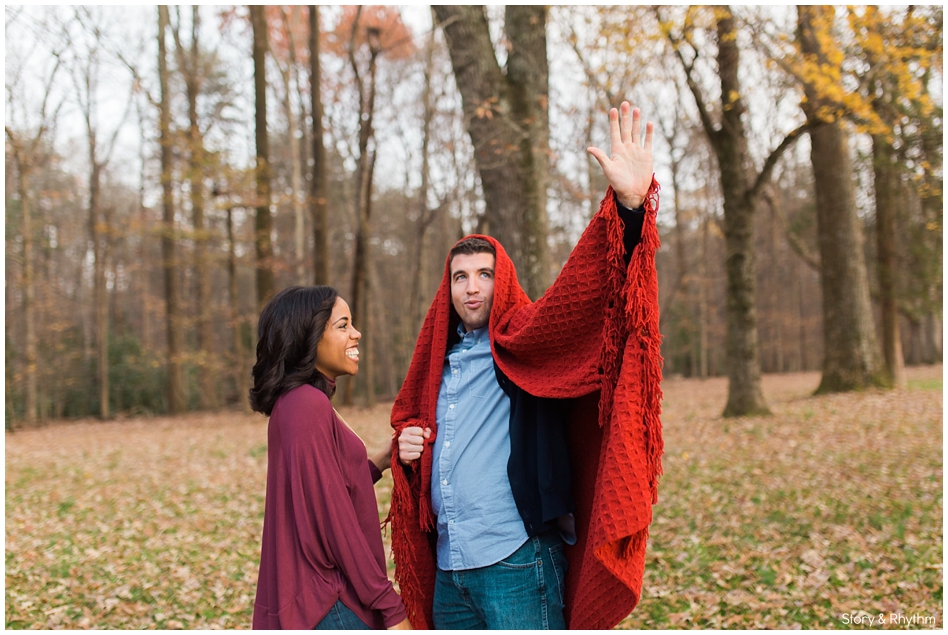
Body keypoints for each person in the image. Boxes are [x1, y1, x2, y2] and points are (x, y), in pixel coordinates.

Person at [388, 102, 665, 629]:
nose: (471, 286)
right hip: (451, 569)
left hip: (517, 561)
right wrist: (405, 444)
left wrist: (629, 210)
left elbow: (596, 304)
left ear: (504, 280)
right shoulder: (433, 366)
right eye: (460, 276)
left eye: (484, 274)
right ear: (446, 290)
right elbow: (411, 423)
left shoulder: (527, 343)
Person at [249, 285, 411, 630]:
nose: (357, 333)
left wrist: (378, 462)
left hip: (324, 601)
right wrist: (389, 606)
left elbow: (320, 493)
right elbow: (333, 520)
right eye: (343, 325)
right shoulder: (306, 405)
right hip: (328, 603)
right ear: (308, 337)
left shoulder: (296, 403)